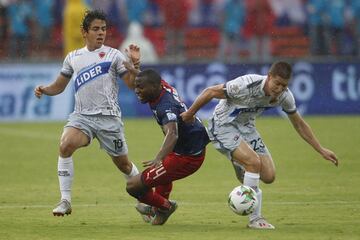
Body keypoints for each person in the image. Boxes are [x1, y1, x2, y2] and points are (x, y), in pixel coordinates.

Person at [181, 61, 338, 229]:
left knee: (269, 176)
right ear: (269, 77)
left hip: (246, 128)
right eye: (277, 83)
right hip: (222, 125)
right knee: (253, 162)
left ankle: (241, 163)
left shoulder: (285, 96)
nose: (279, 89)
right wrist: (190, 114)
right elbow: (210, 91)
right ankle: (255, 219)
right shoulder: (246, 84)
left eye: (284, 86)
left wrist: (320, 149)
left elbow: (299, 124)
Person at [34, 10, 141, 217]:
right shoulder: (73, 57)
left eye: (103, 29)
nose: (101, 33)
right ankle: (65, 200)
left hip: (109, 118)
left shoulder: (114, 55)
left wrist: (135, 66)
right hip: (82, 117)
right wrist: (45, 89)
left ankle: (145, 199)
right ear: (84, 32)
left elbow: (131, 84)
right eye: (95, 29)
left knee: (124, 165)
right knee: (65, 146)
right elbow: (60, 85)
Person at [125, 69, 209, 225]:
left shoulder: (166, 106)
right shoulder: (161, 86)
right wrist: (134, 69)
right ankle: (160, 210)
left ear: (155, 87)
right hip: (185, 148)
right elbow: (150, 77)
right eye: (137, 87)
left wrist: (159, 158)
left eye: (141, 88)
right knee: (162, 178)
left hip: (187, 157)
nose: (137, 91)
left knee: (133, 186)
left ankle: (165, 207)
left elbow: (173, 134)